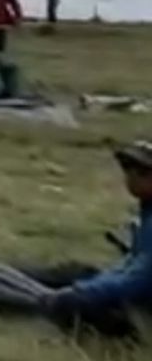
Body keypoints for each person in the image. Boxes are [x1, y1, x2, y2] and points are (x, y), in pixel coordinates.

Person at [28, 141, 152, 339]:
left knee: (71, 302)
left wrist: (84, 292)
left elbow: (140, 280)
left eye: (138, 171)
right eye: (127, 169)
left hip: (142, 308)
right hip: (138, 295)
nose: (129, 177)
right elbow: (134, 264)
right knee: (75, 273)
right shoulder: (147, 210)